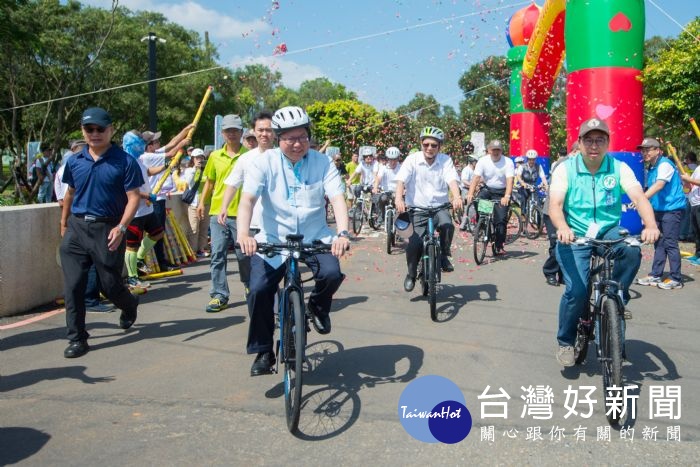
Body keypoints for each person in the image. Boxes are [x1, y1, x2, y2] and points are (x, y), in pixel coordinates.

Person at [237, 106, 350, 376]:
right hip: (274, 241)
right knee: (259, 290)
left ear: (309, 136)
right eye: (289, 138)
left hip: (314, 238)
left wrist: (343, 233)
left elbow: (337, 199)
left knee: (332, 274)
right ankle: (264, 350)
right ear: (278, 139)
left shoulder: (323, 163)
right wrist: (243, 234)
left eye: (302, 137)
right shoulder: (263, 163)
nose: (297, 144)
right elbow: (247, 200)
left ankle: (317, 308)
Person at [549, 118, 659, 367]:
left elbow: (639, 198)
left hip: (609, 231)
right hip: (575, 234)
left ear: (608, 143)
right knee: (576, 291)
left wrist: (651, 225)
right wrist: (563, 228)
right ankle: (565, 342)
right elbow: (555, 205)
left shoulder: (619, 168)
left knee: (631, 251)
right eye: (588, 139)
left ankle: (616, 298)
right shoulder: (565, 169)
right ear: (579, 143)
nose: (594, 145)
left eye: (600, 140)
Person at [59, 107, 143, 358]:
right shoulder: (74, 161)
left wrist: (121, 227)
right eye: (89, 129)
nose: (94, 134)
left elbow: (133, 198)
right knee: (73, 286)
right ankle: (77, 338)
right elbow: (70, 194)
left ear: (111, 130)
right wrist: (63, 223)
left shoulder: (125, 161)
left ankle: (129, 305)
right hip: (76, 227)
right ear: (83, 132)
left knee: (110, 285)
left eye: (100, 129)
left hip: (108, 229)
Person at [395, 126, 463, 292]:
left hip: (440, 207)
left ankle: (444, 255)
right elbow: (401, 181)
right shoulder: (412, 160)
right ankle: (411, 274)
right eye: (426, 144)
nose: (429, 148)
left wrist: (457, 196)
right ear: (421, 144)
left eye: (434, 145)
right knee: (413, 244)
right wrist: (398, 198)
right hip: (417, 209)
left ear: (439, 146)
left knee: (448, 225)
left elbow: (452, 180)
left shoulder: (445, 160)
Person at [196, 114, 249, 313]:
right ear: (222, 133)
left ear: (241, 132)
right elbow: (209, 181)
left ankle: (249, 284)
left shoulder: (249, 155)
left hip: (242, 214)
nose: (232, 134)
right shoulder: (215, 157)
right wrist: (202, 203)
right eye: (228, 131)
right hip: (218, 213)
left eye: (235, 130)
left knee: (244, 255)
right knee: (217, 254)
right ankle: (219, 294)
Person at [55, 140, 114, 313]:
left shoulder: (73, 166)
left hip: (81, 221)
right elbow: (68, 196)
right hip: (79, 223)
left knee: (90, 265)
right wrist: (64, 222)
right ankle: (89, 300)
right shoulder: (73, 167)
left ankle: (88, 299)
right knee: (88, 265)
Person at [218, 110, 277, 282]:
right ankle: (250, 289)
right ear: (253, 131)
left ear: (275, 132)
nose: (264, 134)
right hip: (252, 222)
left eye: (268, 130)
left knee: (277, 270)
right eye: (260, 130)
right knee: (247, 264)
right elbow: (232, 183)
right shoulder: (245, 159)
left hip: (277, 223)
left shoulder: (283, 157)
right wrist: (224, 207)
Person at [635, 137, 687, 290]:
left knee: (670, 243)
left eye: (649, 149)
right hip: (659, 209)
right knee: (659, 243)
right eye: (643, 150)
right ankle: (655, 274)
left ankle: (676, 278)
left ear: (658, 150)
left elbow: (659, 185)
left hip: (672, 209)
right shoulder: (651, 167)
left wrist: (641, 199)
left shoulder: (664, 164)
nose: (645, 153)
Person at [139, 126, 192, 272]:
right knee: (156, 233)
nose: (159, 143)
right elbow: (172, 152)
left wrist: (186, 129)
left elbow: (172, 143)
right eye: (156, 142)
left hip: (157, 198)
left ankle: (157, 261)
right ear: (149, 145)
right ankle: (153, 262)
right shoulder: (147, 157)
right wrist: (183, 144)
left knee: (158, 232)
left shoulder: (154, 153)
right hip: (151, 199)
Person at [121, 131, 167, 289]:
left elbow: (147, 172)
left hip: (146, 209)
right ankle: (132, 277)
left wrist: (165, 167)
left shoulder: (139, 160)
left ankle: (140, 258)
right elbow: (124, 188)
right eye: (139, 142)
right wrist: (146, 195)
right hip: (133, 211)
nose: (143, 145)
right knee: (131, 245)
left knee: (158, 233)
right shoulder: (124, 162)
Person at [466, 140, 515, 256]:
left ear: (501, 151)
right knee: (479, 201)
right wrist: (470, 193)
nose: (496, 152)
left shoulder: (507, 162)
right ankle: (482, 223)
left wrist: (507, 196)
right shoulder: (483, 161)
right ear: (489, 150)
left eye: (498, 150)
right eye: (493, 149)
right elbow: (476, 178)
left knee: (500, 221)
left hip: (502, 192)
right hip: (488, 190)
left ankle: (499, 244)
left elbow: (510, 180)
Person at [541, 144, 577, 286]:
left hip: (570, 213)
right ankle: (550, 271)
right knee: (557, 244)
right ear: (575, 151)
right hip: (553, 211)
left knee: (568, 244)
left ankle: (562, 274)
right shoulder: (563, 164)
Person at [184, 148, 209, 257]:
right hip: (194, 204)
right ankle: (192, 251)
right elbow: (189, 181)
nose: (199, 160)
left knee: (204, 228)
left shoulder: (207, 170)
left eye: (201, 158)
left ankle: (201, 249)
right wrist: (196, 168)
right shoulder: (189, 170)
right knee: (194, 229)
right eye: (197, 158)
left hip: (206, 203)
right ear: (192, 159)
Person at [372, 146, 402, 224]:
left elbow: (405, 180)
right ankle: (381, 216)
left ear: (398, 158)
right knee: (381, 199)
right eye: (390, 159)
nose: (392, 162)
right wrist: (375, 187)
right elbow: (378, 178)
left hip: (397, 192)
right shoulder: (384, 168)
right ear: (387, 159)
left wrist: (405, 189)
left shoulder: (401, 168)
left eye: (395, 159)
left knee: (402, 204)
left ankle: (401, 220)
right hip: (386, 191)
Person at [681, 161, 700, 265]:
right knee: (697, 232)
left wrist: (689, 179)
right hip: (694, 203)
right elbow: (690, 186)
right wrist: (687, 182)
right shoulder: (697, 169)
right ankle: (698, 254)